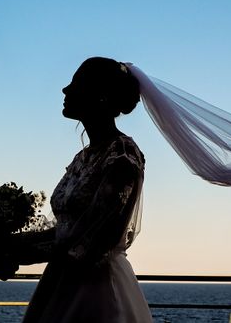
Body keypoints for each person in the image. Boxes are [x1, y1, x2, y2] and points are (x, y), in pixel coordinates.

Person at [18, 57, 152, 323]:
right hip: (62, 280)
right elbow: (66, 229)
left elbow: (95, 240)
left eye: (76, 84)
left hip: (95, 289)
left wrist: (18, 255)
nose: (65, 91)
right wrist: (9, 243)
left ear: (101, 96)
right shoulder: (84, 156)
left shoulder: (122, 156)